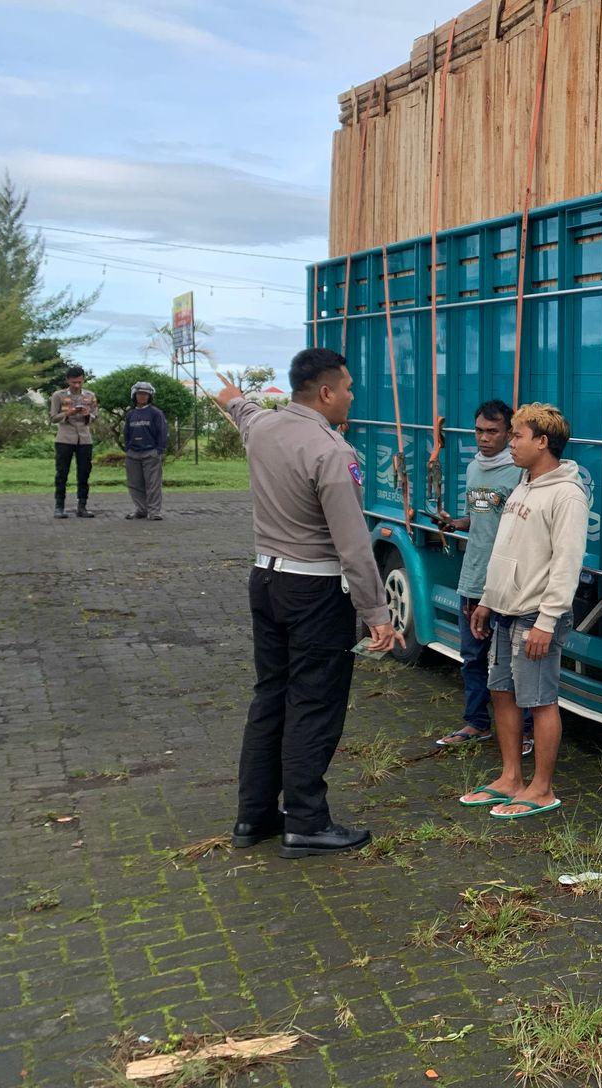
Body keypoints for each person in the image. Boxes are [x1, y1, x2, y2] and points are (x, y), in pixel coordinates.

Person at [216, 348, 399, 857]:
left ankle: (254, 817)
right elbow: (354, 545)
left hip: (266, 581)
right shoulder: (333, 452)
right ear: (324, 392)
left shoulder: (264, 428)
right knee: (313, 703)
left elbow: (241, 409)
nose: (351, 396)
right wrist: (377, 615)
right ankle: (306, 822)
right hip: (315, 593)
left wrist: (231, 397)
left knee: (270, 696)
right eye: (347, 387)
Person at [459, 403, 589, 818]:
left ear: (543, 441)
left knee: (539, 699)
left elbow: (567, 565)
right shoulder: (524, 484)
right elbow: (505, 550)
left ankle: (542, 789)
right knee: (502, 692)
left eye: (517, 436)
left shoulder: (567, 494)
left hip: (536, 614)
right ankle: (511, 778)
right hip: (505, 610)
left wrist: (547, 622)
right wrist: (487, 601)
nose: (509, 443)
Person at [432, 400, 530, 752]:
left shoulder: (520, 472)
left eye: (493, 432)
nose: (484, 439)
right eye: (479, 431)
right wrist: (457, 522)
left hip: (508, 583)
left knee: (515, 663)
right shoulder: (473, 468)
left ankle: (526, 730)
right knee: (472, 656)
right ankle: (476, 722)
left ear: (508, 433)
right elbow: (481, 517)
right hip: (473, 579)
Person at [49, 366, 98, 519]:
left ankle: (82, 506)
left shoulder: (90, 396)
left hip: (84, 439)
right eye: (73, 382)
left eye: (79, 382)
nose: (76, 385)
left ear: (83, 379)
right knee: (62, 473)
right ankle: (59, 506)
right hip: (64, 438)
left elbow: (95, 416)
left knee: (84, 473)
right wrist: (68, 413)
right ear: (67, 381)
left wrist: (87, 414)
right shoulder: (58, 395)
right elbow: (52, 417)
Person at [123, 381, 169, 521]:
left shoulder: (156, 413)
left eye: (145, 394)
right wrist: (128, 448)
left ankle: (154, 512)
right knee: (134, 484)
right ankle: (141, 510)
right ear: (134, 395)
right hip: (133, 454)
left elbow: (162, 432)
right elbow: (126, 433)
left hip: (151, 453)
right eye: (139, 394)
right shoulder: (130, 414)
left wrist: (158, 450)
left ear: (150, 396)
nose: (142, 397)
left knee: (153, 484)